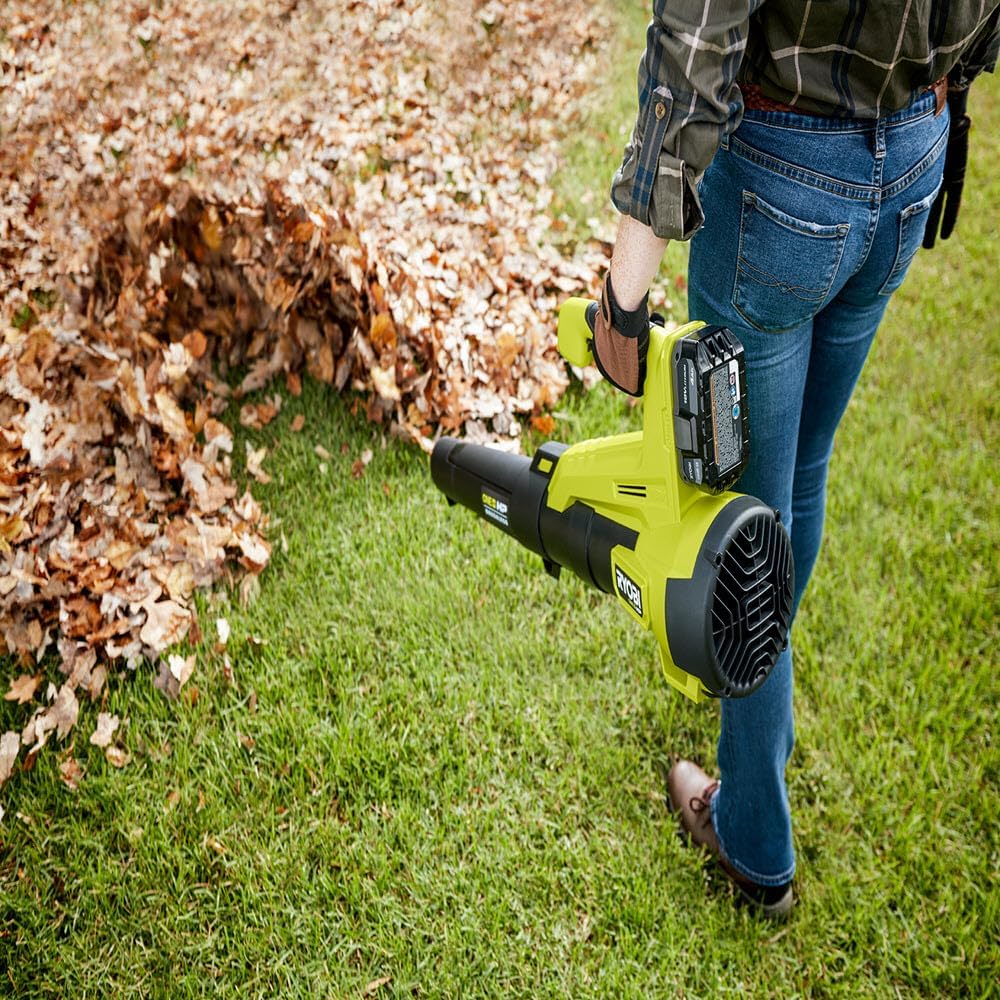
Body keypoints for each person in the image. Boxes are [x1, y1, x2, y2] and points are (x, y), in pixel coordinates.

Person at [592, 2, 999, 918]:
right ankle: (752, 693)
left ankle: (755, 842)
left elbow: (697, 40)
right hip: (915, 148)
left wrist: (624, 298)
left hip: (784, 168)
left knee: (748, 513)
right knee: (799, 474)